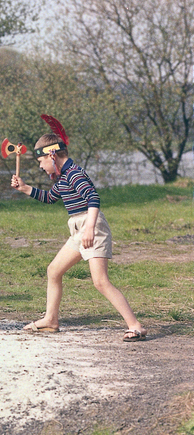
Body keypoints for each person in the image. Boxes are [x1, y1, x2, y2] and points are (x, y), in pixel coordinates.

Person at [11, 132, 147, 341]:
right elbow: (50, 197)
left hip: (91, 226)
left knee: (100, 281)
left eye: (41, 161)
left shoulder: (74, 173)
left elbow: (93, 198)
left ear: (52, 155)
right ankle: (51, 320)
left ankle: (135, 325)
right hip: (78, 229)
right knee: (54, 271)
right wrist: (24, 188)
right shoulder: (64, 177)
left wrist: (90, 228)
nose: (40, 166)